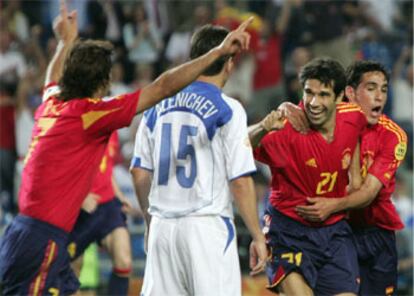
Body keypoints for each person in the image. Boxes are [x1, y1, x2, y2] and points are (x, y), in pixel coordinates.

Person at [0, 0, 254, 293]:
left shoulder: (51, 105)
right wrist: (218, 53)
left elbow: (50, 79)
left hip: (25, 231)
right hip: (42, 240)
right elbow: (162, 87)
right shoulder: (91, 115)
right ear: (103, 84)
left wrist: (65, 42)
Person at [130, 24, 267, 296]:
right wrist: (257, 236)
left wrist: (150, 222)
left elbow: (139, 172)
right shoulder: (229, 108)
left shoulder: (156, 106)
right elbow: (239, 181)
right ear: (228, 63)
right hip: (206, 227)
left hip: (162, 228)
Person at [249, 57, 366, 295]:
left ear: (339, 96)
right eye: (308, 93)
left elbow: (355, 136)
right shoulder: (288, 129)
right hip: (288, 232)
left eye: (323, 94)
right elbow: (237, 144)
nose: (313, 102)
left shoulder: (354, 117)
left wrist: (353, 178)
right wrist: (262, 126)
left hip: (334, 232)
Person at [295, 60, 408, 296]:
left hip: (377, 234)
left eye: (384, 89)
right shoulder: (326, 118)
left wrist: (332, 204)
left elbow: (367, 193)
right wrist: (287, 107)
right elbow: (303, 110)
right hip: (337, 230)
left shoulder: (393, 136)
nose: (379, 97)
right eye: (371, 88)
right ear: (350, 92)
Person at [67, 131, 133, 295]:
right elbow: (62, 164)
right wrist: (80, 196)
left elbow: (105, 166)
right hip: (80, 207)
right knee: (71, 271)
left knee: (124, 261)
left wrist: (118, 194)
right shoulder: (79, 122)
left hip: (108, 204)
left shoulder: (113, 129)